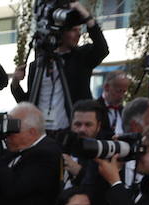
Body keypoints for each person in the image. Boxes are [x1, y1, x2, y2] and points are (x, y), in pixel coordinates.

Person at [10, 2, 108, 131]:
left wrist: (87, 17)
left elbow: (102, 49)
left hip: (70, 130)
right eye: (73, 30)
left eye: (79, 30)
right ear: (60, 32)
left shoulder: (81, 58)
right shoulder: (37, 65)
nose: (78, 34)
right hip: (40, 132)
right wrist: (15, 83)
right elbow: (27, 102)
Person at [99, 70, 130, 137]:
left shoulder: (123, 110)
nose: (122, 96)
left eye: (124, 92)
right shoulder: (95, 108)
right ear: (107, 87)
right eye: (119, 91)